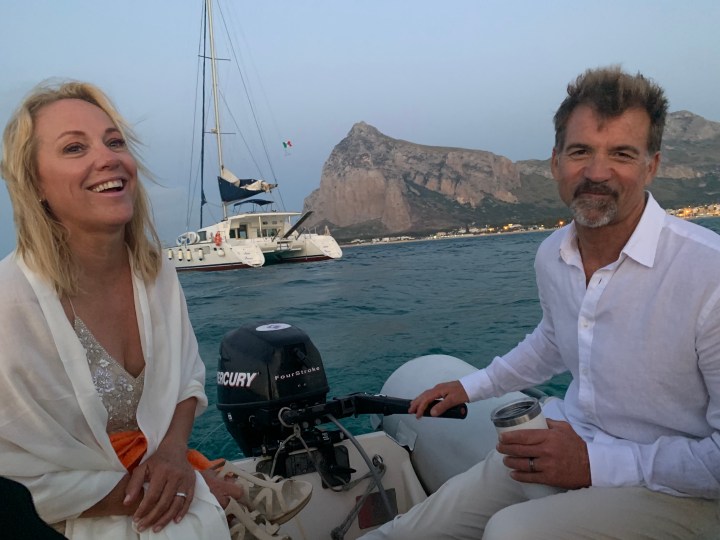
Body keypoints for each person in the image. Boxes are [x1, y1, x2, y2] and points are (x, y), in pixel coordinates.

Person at [361, 67, 720, 539]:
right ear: (555, 162)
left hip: (682, 491)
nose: (597, 173)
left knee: (511, 531)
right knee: (405, 533)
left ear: (651, 166)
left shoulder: (707, 274)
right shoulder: (554, 254)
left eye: (621, 154)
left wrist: (594, 463)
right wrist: (471, 386)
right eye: (580, 151)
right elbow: (553, 340)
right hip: (568, 441)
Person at [0, 80, 283, 539]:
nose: (108, 157)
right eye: (74, 148)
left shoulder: (155, 272)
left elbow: (187, 380)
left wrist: (172, 454)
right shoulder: (9, 304)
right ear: (34, 183)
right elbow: (16, 472)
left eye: (114, 142)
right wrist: (186, 489)